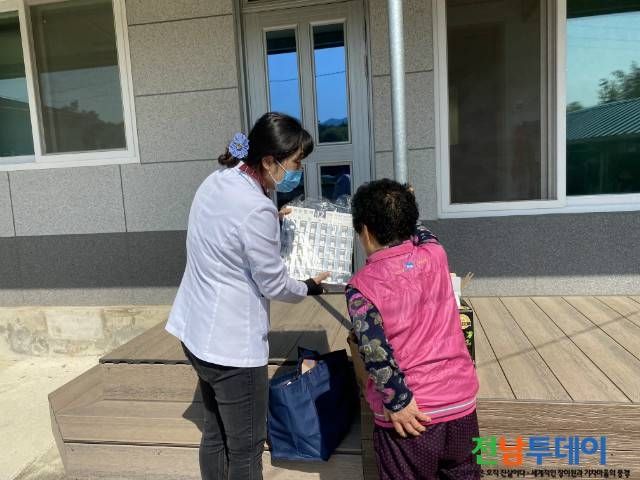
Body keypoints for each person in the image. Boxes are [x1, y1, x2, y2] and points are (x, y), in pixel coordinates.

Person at [166, 112, 329, 480]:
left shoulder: (218, 180)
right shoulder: (257, 209)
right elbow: (274, 284)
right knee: (246, 449)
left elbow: (229, 231)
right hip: (232, 349)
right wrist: (308, 286)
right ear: (269, 161)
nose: (298, 171)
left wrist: (272, 220)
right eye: (296, 163)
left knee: (215, 433)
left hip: (195, 330)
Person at [346, 179, 480, 480]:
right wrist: (407, 208)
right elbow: (423, 233)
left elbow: (374, 351)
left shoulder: (361, 286)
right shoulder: (435, 254)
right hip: (461, 404)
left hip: (411, 417)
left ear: (364, 230)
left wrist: (398, 401)